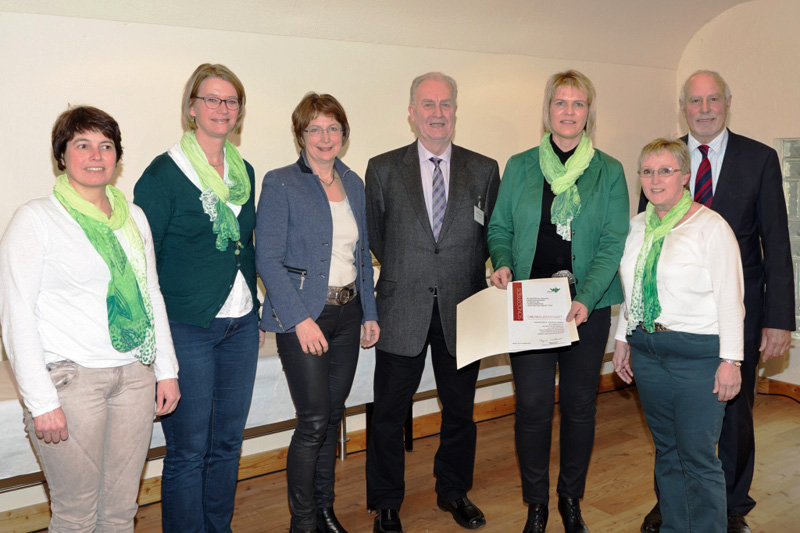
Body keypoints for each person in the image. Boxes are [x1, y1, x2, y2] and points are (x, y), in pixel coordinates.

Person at [0, 106, 180, 531]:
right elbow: (15, 314)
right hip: (71, 384)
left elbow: (151, 294)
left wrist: (167, 370)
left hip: (135, 378)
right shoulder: (36, 218)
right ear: (62, 155)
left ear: (117, 156)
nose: (96, 155)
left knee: (120, 511)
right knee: (76, 513)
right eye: (83, 145)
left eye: (106, 145)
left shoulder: (133, 217)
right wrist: (41, 402)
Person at [637, 71, 795, 533]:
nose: (704, 109)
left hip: (738, 311)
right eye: (694, 101)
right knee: (671, 419)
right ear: (682, 106)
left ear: (727, 103)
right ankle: (671, 503)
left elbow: (776, 243)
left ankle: (731, 505)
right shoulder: (662, 161)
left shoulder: (759, 159)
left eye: (713, 100)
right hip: (672, 319)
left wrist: (779, 318)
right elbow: (646, 242)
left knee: (734, 412)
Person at [487, 70, 629, 533]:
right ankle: (536, 505)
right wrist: (502, 262)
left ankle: (571, 500)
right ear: (548, 111)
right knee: (531, 407)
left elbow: (612, 242)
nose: (569, 111)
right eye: (560, 103)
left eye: (578, 103)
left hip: (587, 306)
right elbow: (500, 228)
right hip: (532, 303)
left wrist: (586, 298)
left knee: (579, 406)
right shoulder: (520, 166)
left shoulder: (609, 170)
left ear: (589, 113)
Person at [365, 72, 500, 533]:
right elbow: (378, 238)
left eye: (445, 104)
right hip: (402, 306)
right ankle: (386, 503)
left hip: (463, 308)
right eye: (428, 104)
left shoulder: (484, 169)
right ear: (411, 112)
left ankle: (454, 490)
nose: (437, 113)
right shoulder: (383, 169)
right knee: (388, 414)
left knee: (460, 411)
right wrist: (413, 270)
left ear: (456, 111)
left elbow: (491, 236)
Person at [134, 63, 261, 533]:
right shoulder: (164, 174)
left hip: (240, 324)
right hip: (187, 326)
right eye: (211, 99)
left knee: (227, 443)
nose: (222, 108)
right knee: (189, 450)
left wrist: (256, 312)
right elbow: (143, 258)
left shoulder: (245, 172)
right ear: (192, 108)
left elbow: (246, 246)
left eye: (231, 101)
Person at [256, 92, 380, 533]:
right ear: (301, 135)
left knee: (333, 415)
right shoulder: (280, 183)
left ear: (343, 134)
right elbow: (267, 259)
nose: (324, 137)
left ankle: (326, 511)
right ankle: (303, 522)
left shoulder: (354, 182)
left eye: (333, 128)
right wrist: (299, 321)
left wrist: (370, 311)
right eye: (315, 129)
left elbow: (362, 254)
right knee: (312, 420)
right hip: (304, 317)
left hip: (349, 314)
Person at [615, 137, 745, 532]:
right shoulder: (637, 226)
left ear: (685, 176)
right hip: (647, 352)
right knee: (668, 452)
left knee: (698, 456)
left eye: (665, 171)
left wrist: (731, 361)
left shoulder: (711, 227)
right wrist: (622, 339)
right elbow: (632, 289)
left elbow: (731, 299)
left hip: (699, 356)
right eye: (648, 171)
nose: (655, 180)